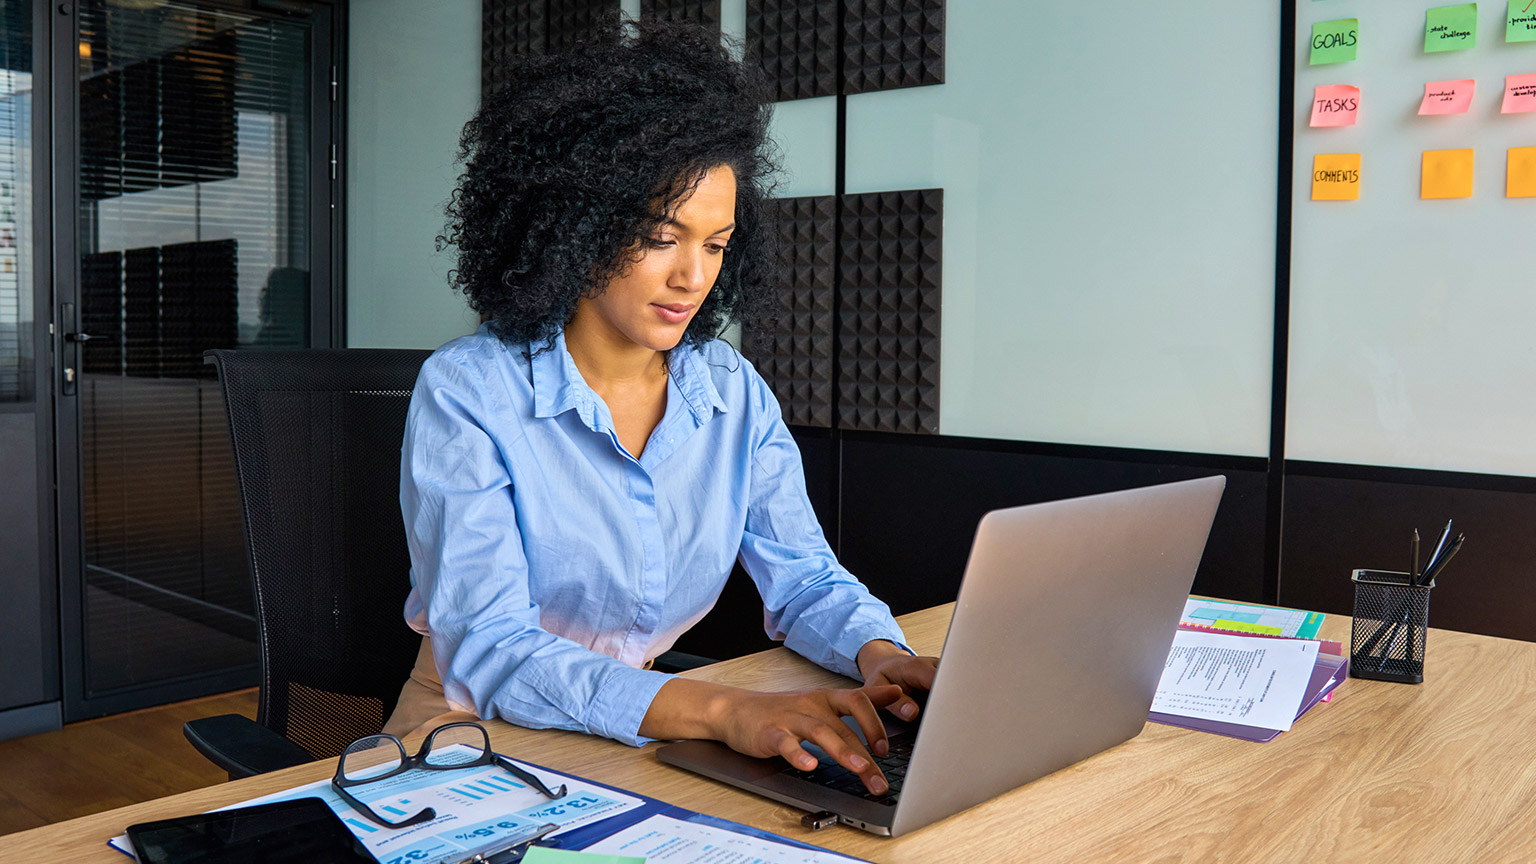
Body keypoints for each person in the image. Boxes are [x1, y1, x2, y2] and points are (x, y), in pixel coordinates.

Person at [384, 19, 936, 797]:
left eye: (715, 245)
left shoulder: (731, 392)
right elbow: (494, 648)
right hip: (468, 732)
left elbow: (805, 578)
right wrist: (722, 711)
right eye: (660, 236)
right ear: (574, 225)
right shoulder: (470, 391)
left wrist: (882, 655)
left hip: (640, 730)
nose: (691, 277)